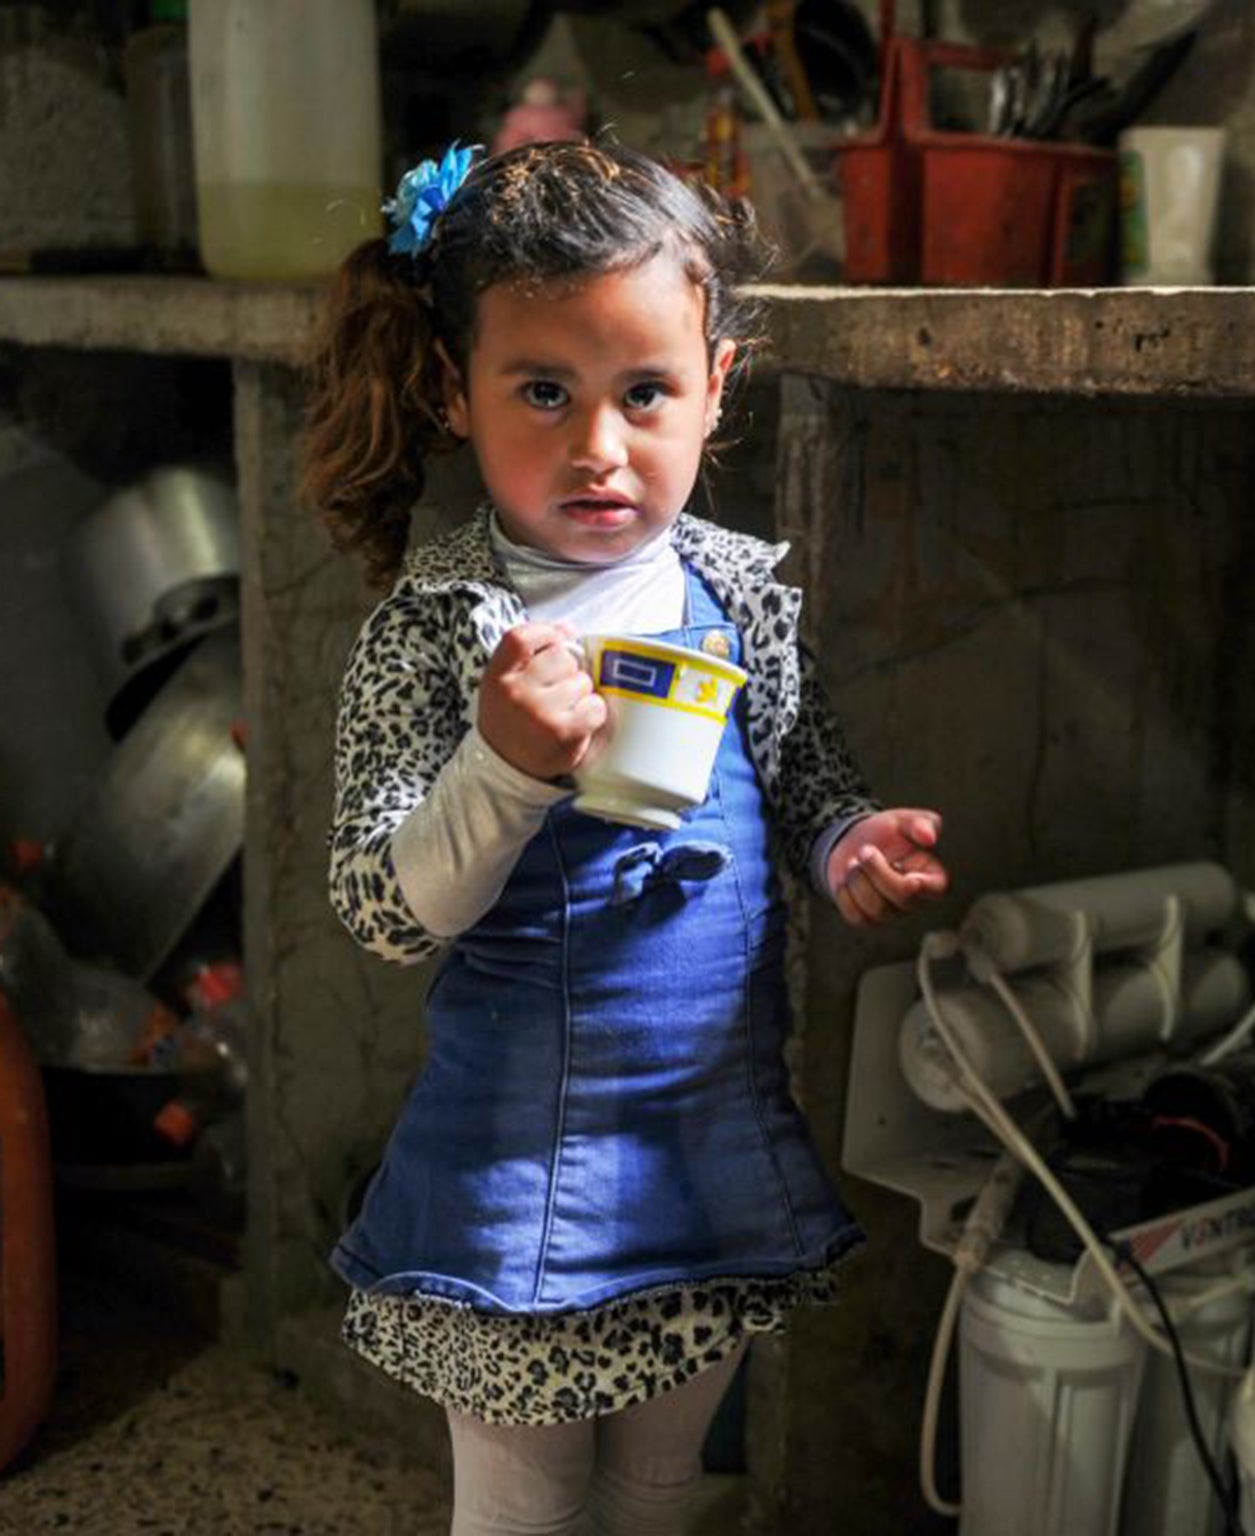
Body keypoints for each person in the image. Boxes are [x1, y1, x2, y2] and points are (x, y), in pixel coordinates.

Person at [298, 138, 947, 1535]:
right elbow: (385, 909)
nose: (600, 445)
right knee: (525, 1506)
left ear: (719, 387)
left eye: (643, 391)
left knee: (665, 1485)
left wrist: (851, 846)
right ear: (450, 393)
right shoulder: (436, 629)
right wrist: (506, 766)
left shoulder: (737, 595)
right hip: (518, 1164)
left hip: (707, 1140)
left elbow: (801, 774)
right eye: (544, 390)